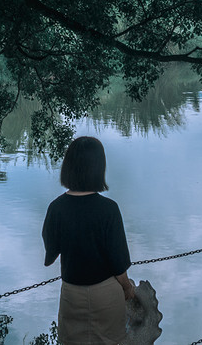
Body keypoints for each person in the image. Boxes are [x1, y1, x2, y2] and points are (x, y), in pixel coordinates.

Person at [42, 136, 135, 345]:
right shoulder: (109, 209)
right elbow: (118, 262)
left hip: (71, 294)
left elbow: (51, 253)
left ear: (68, 166)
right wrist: (128, 288)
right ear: (99, 167)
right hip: (106, 294)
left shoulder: (56, 208)